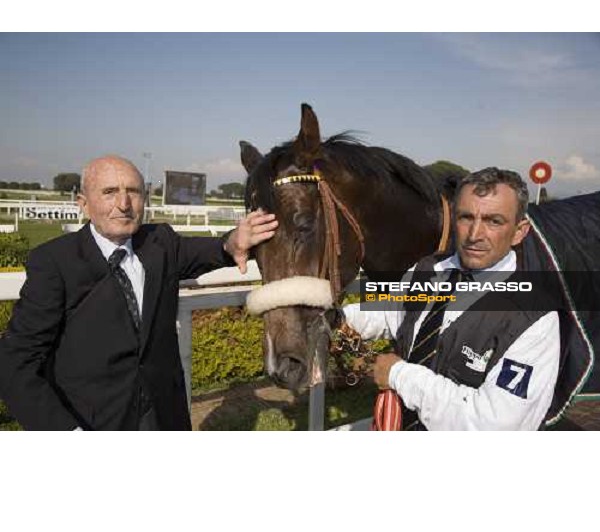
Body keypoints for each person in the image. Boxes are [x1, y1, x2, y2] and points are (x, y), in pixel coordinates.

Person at [0, 155, 278, 431]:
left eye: (133, 192)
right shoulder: (54, 261)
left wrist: (234, 241)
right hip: (91, 425)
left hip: (165, 418)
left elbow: (217, 249)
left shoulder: (161, 242)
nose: (123, 204)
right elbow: (15, 362)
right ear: (83, 204)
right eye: (109, 192)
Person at [344, 167, 560, 431]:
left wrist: (399, 375)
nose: (474, 234)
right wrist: (329, 314)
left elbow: (491, 426)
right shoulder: (428, 269)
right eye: (466, 217)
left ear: (519, 231)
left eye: (494, 221)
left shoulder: (534, 317)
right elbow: (387, 310)